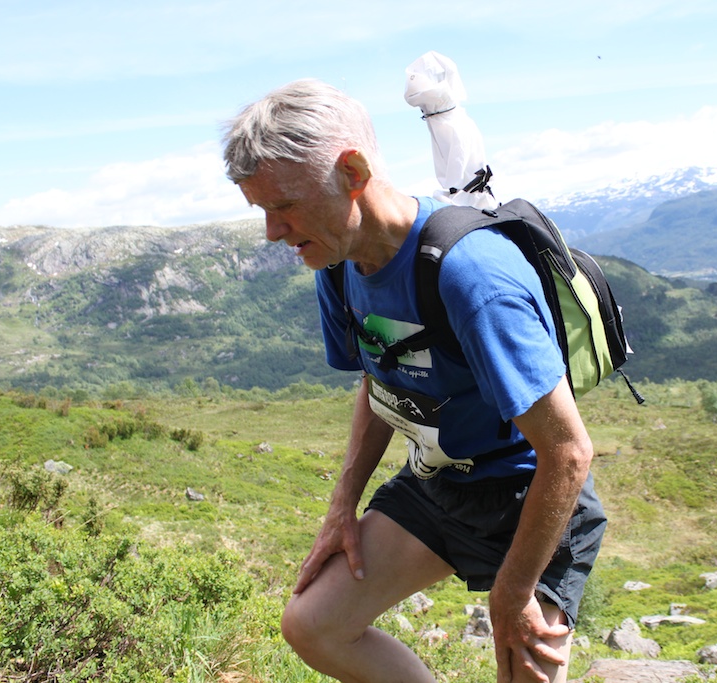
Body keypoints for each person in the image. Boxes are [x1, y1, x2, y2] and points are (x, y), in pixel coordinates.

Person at [222, 78, 606, 683]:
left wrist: (512, 591)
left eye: (285, 204)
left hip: (526, 497)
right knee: (314, 625)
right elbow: (379, 380)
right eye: (261, 210)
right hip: (437, 484)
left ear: (353, 172)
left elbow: (567, 452)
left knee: (523, 672)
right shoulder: (339, 262)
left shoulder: (472, 276)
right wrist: (343, 504)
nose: (273, 231)